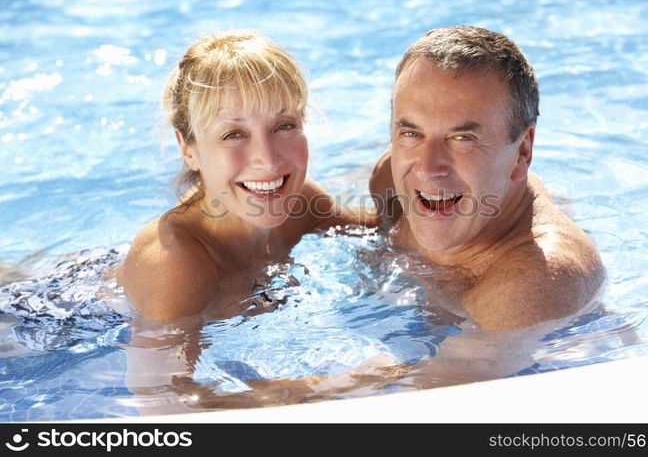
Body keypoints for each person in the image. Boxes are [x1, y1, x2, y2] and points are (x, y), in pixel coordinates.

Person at [119, 30, 374, 323]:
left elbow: (392, 232)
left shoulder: (300, 204)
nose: (267, 160)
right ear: (188, 149)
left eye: (284, 125)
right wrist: (376, 371)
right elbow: (159, 370)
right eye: (233, 134)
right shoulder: (175, 263)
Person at [370, 25, 605, 331]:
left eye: (462, 138)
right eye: (412, 132)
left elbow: (423, 380)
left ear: (522, 152)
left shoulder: (532, 284)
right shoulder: (390, 177)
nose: (427, 168)